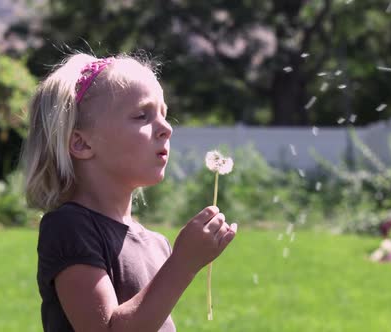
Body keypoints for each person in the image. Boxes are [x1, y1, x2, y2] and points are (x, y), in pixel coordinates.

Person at [22, 53, 238, 332]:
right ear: (81, 142)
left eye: (164, 113)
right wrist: (184, 263)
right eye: (141, 116)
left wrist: (179, 261)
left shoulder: (158, 245)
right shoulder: (69, 227)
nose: (166, 128)